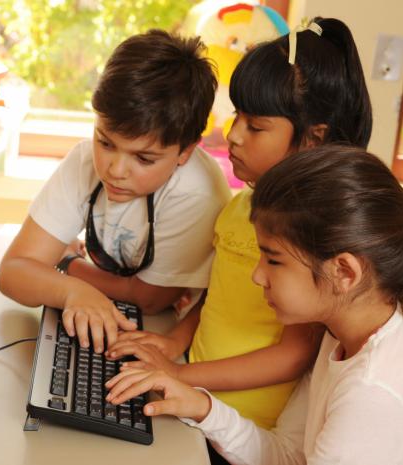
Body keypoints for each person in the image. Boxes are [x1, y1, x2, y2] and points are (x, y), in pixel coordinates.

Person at [106, 145, 403, 465]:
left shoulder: (374, 389)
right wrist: (201, 408)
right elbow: (290, 456)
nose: (258, 276)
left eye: (273, 259)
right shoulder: (342, 334)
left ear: (343, 271)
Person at [106, 17, 373, 432]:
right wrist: (174, 343)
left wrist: (180, 375)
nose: (233, 136)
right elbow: (218, 297)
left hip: (241, 427)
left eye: (256, 126)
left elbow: (293, 356)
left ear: (314, 138)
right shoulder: (241, 206)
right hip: (194, 396)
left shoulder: (309, 238)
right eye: (237, 118)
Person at [0, 29, 231, 353]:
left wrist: (67, 264)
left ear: (185, 152)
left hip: (167, 336)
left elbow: (150, 299)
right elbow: (12, 271)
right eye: (105, 142)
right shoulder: (84, 161)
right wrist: (72, 292)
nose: (114, 170)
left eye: (144, 158)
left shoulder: (197, 194)